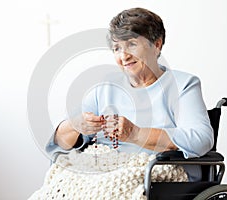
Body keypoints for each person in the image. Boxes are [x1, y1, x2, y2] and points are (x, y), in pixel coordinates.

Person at [46, 7, 214, 181]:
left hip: (158, 176)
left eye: (132, 44)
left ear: (156, 45)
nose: (123, 56)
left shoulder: (183, 85)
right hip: (103, 171)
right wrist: (75, 125)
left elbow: (201, 140)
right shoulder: (104, 88)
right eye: (117, 48)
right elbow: (59, 142)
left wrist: (135, 133)